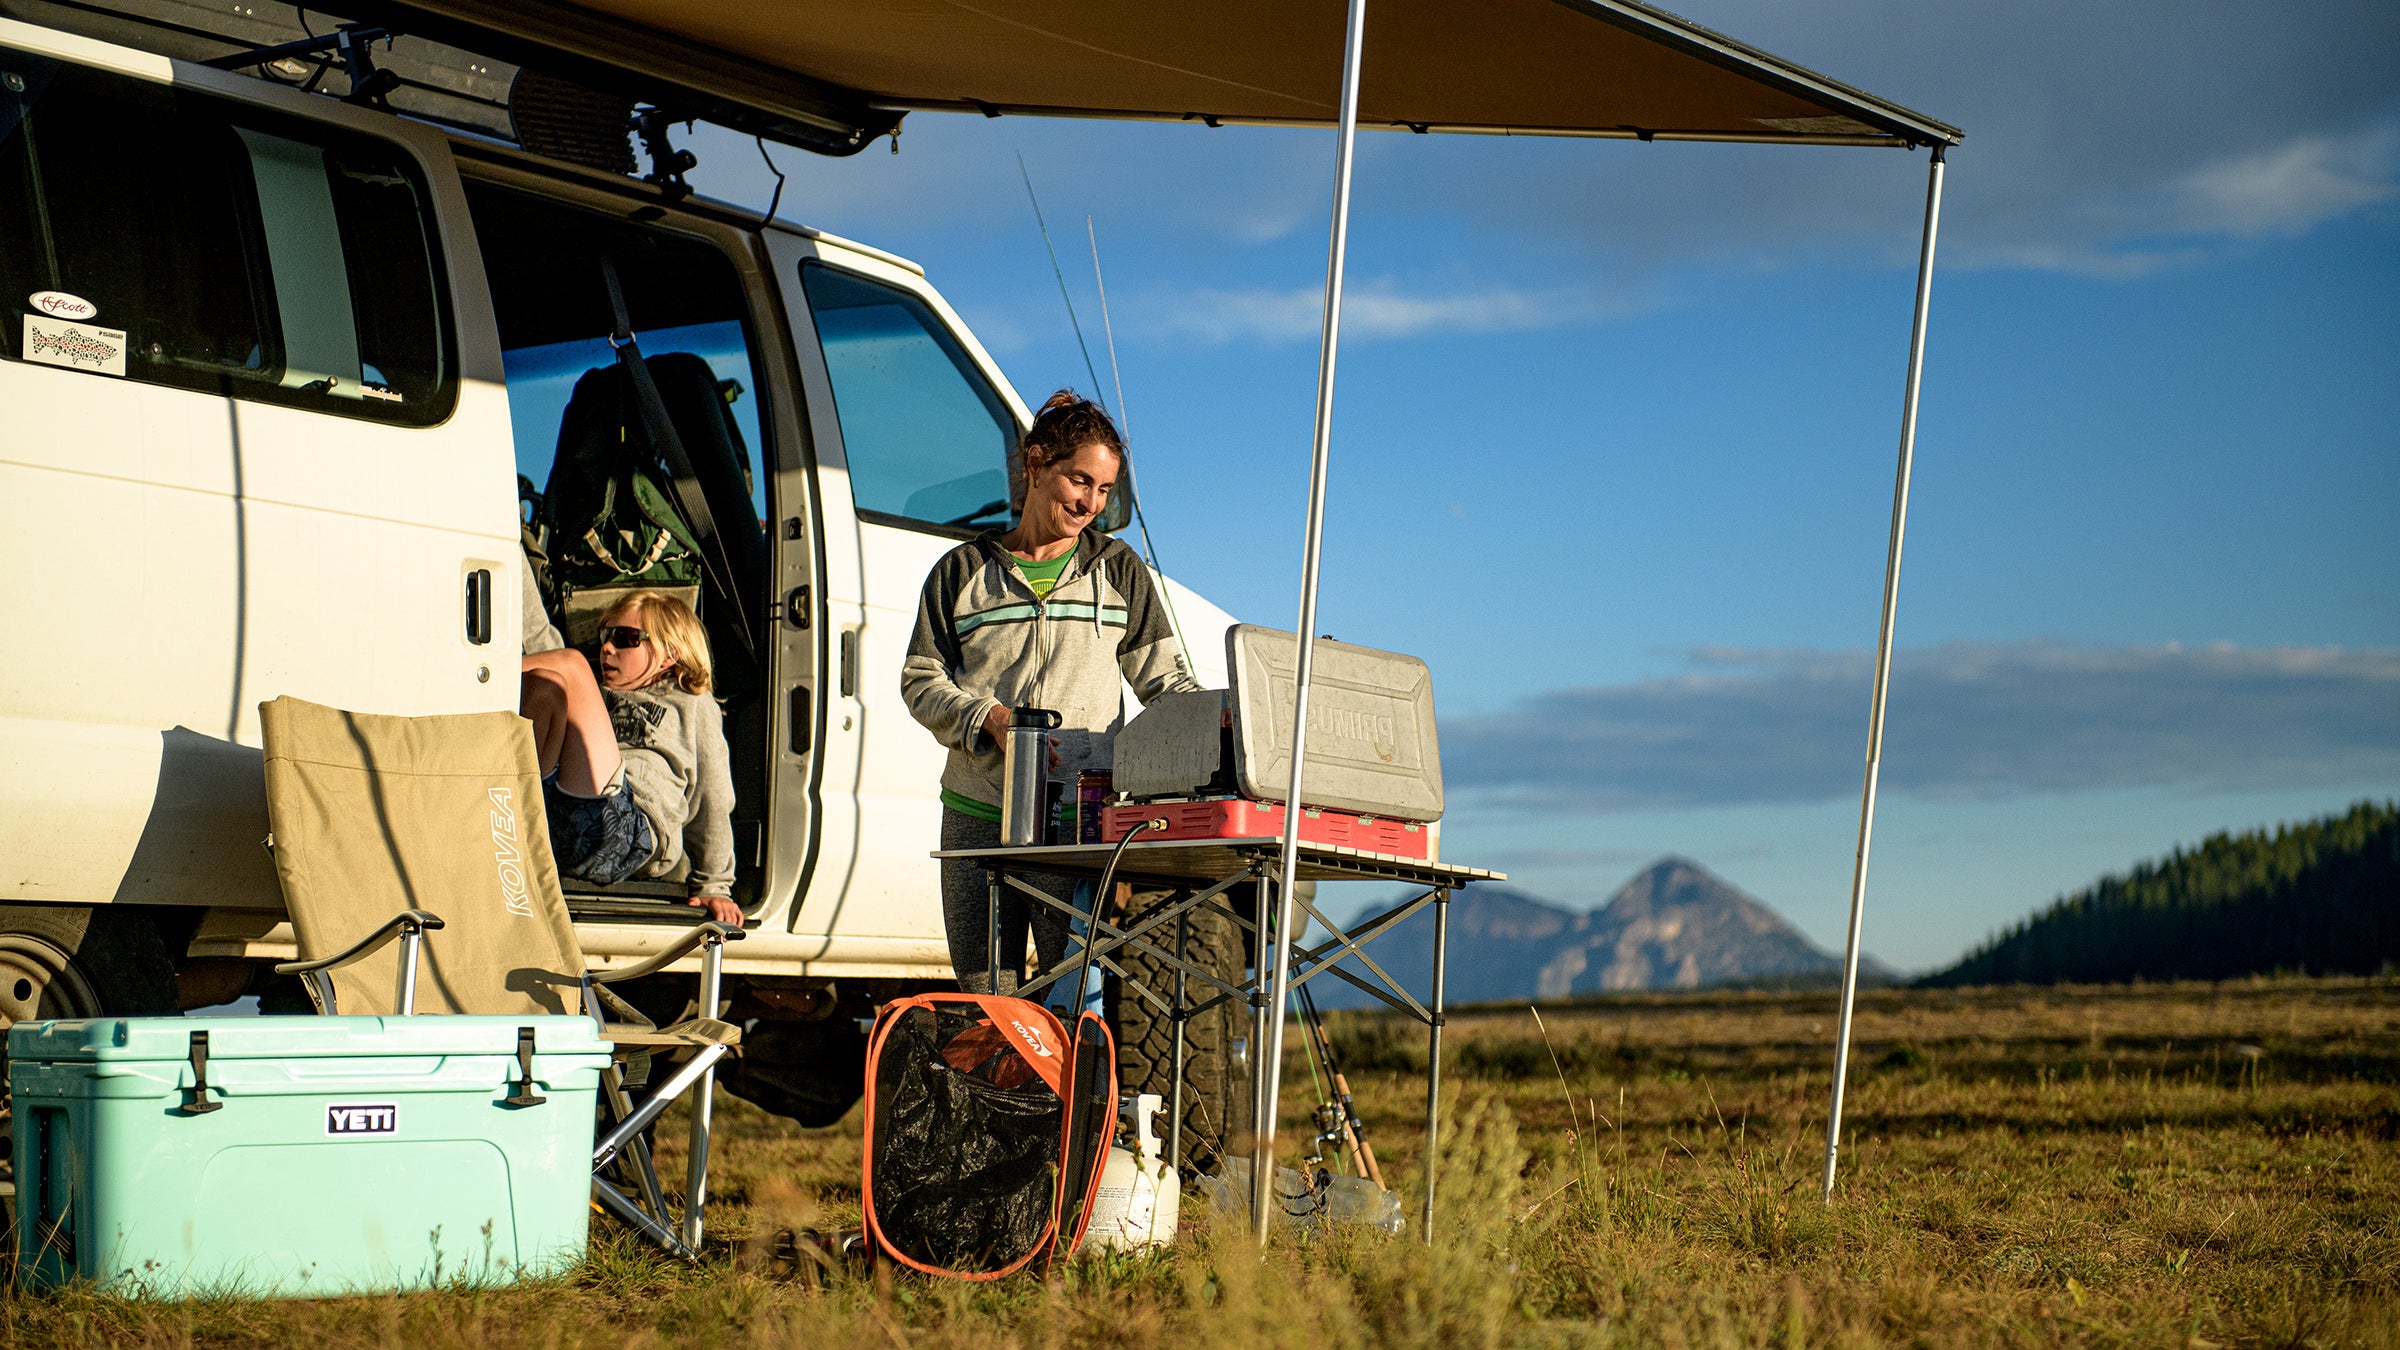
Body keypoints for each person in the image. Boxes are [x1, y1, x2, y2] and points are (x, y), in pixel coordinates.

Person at [903, 391, 1201, 993]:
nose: (1091, 503)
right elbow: (920, 680)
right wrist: (985, 717)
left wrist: (1219, 730)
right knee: (988, 993)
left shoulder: (1118, 571)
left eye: (1103, 491)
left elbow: (1167, 684)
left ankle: (1077, 1090)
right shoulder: (961, 572)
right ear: (1036, 463)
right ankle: (1005, 1091)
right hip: (977, 812)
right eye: (1079, 480)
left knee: (1075, 990)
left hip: (1079, 815)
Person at [519, 590, 742, 925]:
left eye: (625, 638)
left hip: (627, 830)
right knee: (544, 685)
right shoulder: (594, 693)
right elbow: (536, 634)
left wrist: (715, 882)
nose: (607, 648)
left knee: (570, 666)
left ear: (670, 653)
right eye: (605, 637)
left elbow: (712, 794)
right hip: (555, 817)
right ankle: (507, 814)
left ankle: (467, 673)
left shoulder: (691, 704)